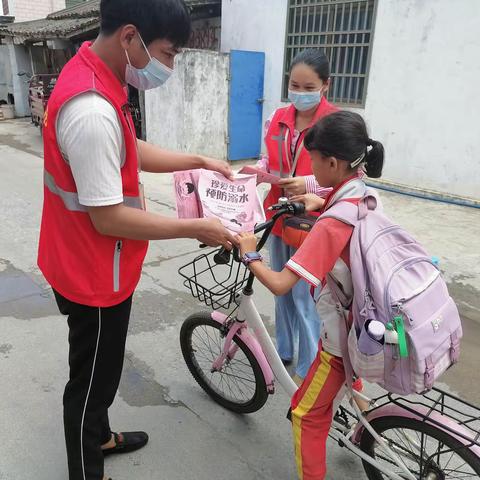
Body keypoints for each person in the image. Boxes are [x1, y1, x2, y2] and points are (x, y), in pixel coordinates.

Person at [37, 1, 236, 479]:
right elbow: (108, 219)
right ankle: (88, 466)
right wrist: (197, 228)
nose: (168, 66)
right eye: (167, 53)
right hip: (92, 274)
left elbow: (129, 149)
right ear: (130, 37)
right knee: (90, 382)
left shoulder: (98, 73)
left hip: (94, 262)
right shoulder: (90, 111)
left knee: (101, 371)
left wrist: (197, 160)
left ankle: (101, 434)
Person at [238, 111, 385, 480]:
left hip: (340, 339)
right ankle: (368, 433)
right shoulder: (364, 193)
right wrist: (319, 201)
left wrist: (249, 251)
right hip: (367, 322)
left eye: (314, 160)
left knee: (305, 415)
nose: (312, 168)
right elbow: (337, 203)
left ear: (332, 162)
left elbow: (280, 284)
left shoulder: (332, 225)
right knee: (349, 381)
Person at [257, 49, 338, 383]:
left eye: (309, 87)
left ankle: (308, 369)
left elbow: (344, 179)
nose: (300, 93)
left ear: (325, 87)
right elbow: (268, 159)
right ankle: (284, 350)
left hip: (311, 226)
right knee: (280, 290)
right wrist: (259, 172)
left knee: (305, 298)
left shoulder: (334, 125)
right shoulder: (278, 119)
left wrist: (308, 189)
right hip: (279, 218)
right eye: (294, 85)